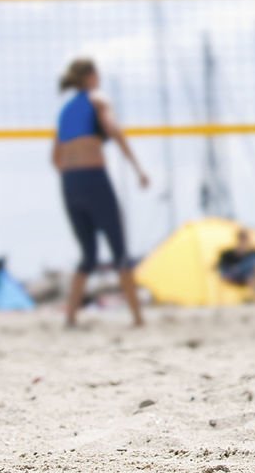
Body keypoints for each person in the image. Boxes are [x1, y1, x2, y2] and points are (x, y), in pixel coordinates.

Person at [52, 58, 148, 328]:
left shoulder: (65, 110)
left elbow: (55, 159)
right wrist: (138, 168)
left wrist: (75, 174)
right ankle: (138, 318)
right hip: (94, 178)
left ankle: (70, 317)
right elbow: (114, 131)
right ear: (91, 76)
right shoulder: (98, 98)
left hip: (69, 184)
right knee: (120, 251)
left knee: (88, 255)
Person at [217, 230, 255, 302]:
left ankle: (253, 298)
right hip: (231, 274)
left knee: (252, 275)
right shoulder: (228, 253)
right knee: (253, 261)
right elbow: (221, 267)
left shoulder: (252, 252)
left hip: (244, 276)